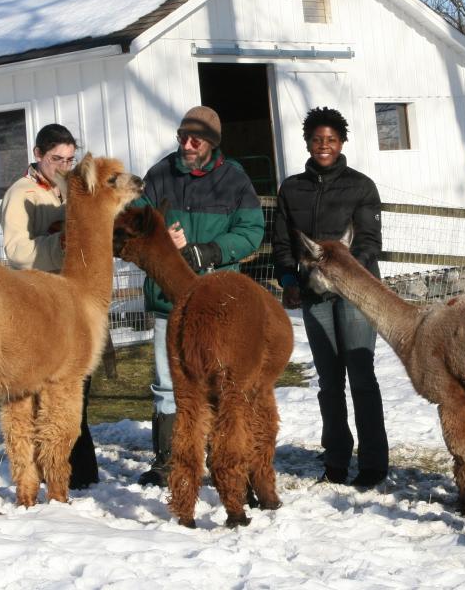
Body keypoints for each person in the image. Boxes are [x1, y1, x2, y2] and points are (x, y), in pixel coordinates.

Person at [135, 106, 265, 487]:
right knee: (166, 382)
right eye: (182, 137)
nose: (186, 145)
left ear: (212, 143)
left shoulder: (234, 180)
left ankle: (223, 457)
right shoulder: (160, 174)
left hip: (217, 302)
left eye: (196, 139)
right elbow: (136, 221)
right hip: (168, 299)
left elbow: (251, 231)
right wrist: (160, 237)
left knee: (221, 381)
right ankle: (169, 460)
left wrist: (207, 251)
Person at [272, 106, 389, 488]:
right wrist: (290, 278)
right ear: (308, 142)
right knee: (329, 380)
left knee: (361, 376)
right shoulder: (292, 188)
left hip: (355, 296)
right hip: (314, 294)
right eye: (318, 140)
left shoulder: (361, 186)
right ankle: (336, 459)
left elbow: (370, 243)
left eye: (331, 140)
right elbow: (283, 242)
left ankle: (373, 463)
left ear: (342, 143)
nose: (324, 146)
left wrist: (347, 272)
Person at [0, 123, 99, 490]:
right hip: (37, 303)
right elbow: (18, 251)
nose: (63, 166)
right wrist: (61, 247)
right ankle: (48, 470)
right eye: (56, 159)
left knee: (75, 390)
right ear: (38, 155)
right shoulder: (21, 194)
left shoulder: (71, 192)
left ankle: (79, 470)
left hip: (71, 301)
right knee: (43, 392)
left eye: (70, 159)